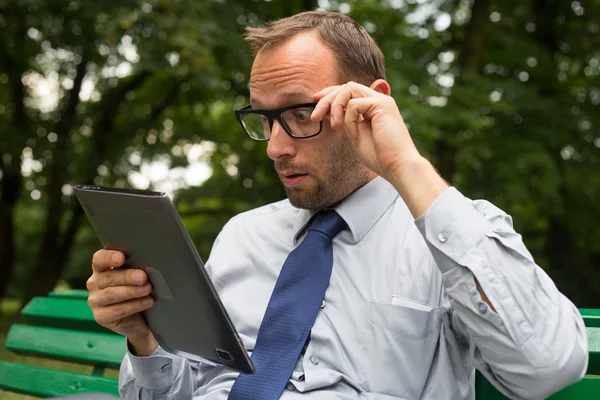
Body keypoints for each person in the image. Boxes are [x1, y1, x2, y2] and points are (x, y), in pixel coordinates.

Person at [86, 11, 588, 400]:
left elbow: (547, 367)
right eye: (265, 120)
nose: (275, 148)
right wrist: (143, 341)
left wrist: (404, 163)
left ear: (371, 106)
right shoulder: (243, 236)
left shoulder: (453, 237)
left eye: (302, 114)